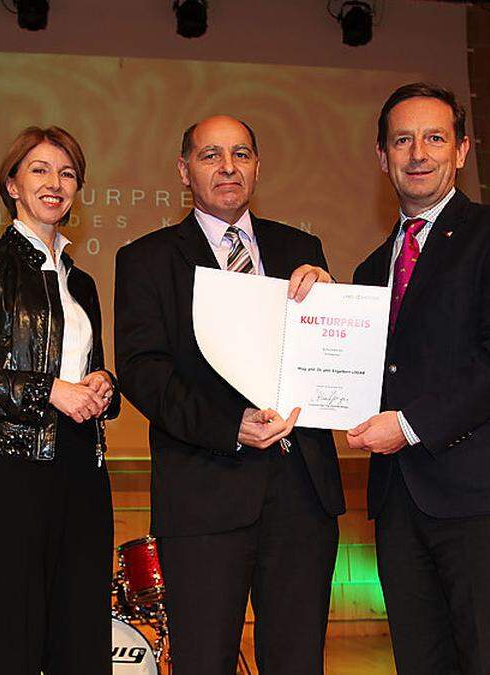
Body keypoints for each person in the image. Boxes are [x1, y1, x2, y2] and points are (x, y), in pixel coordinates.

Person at [114, 115, 345, 674]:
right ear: (184, 170)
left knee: (297, 661)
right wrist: (228, 424)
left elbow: (327, 359)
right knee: (203, 662)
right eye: (210, 155)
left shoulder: (302, 248)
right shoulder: (146, 259)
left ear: (257, 167)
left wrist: (334, 310)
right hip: (203, 493)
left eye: (241, 154)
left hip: (301, 493)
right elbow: (145, 372)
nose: (227, 167)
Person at [348, 83, 490, 675]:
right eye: (402, 140)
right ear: (382, 156)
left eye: (434, 137)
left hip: (485, 496)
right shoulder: (368, 269)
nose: (418, 152)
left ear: (462, 150)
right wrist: (312, 303)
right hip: (399, 503)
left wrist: (410, 426)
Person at [0, 126, 120, 675]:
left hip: (83, 468)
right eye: (39, 170)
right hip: (10, 470)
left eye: (66, 173)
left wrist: (102, 385)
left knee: (82, 634)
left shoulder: (80, 281)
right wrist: (47, 391)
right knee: (14, 637)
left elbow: (85, 370)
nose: (54, 183)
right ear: (12, 184)